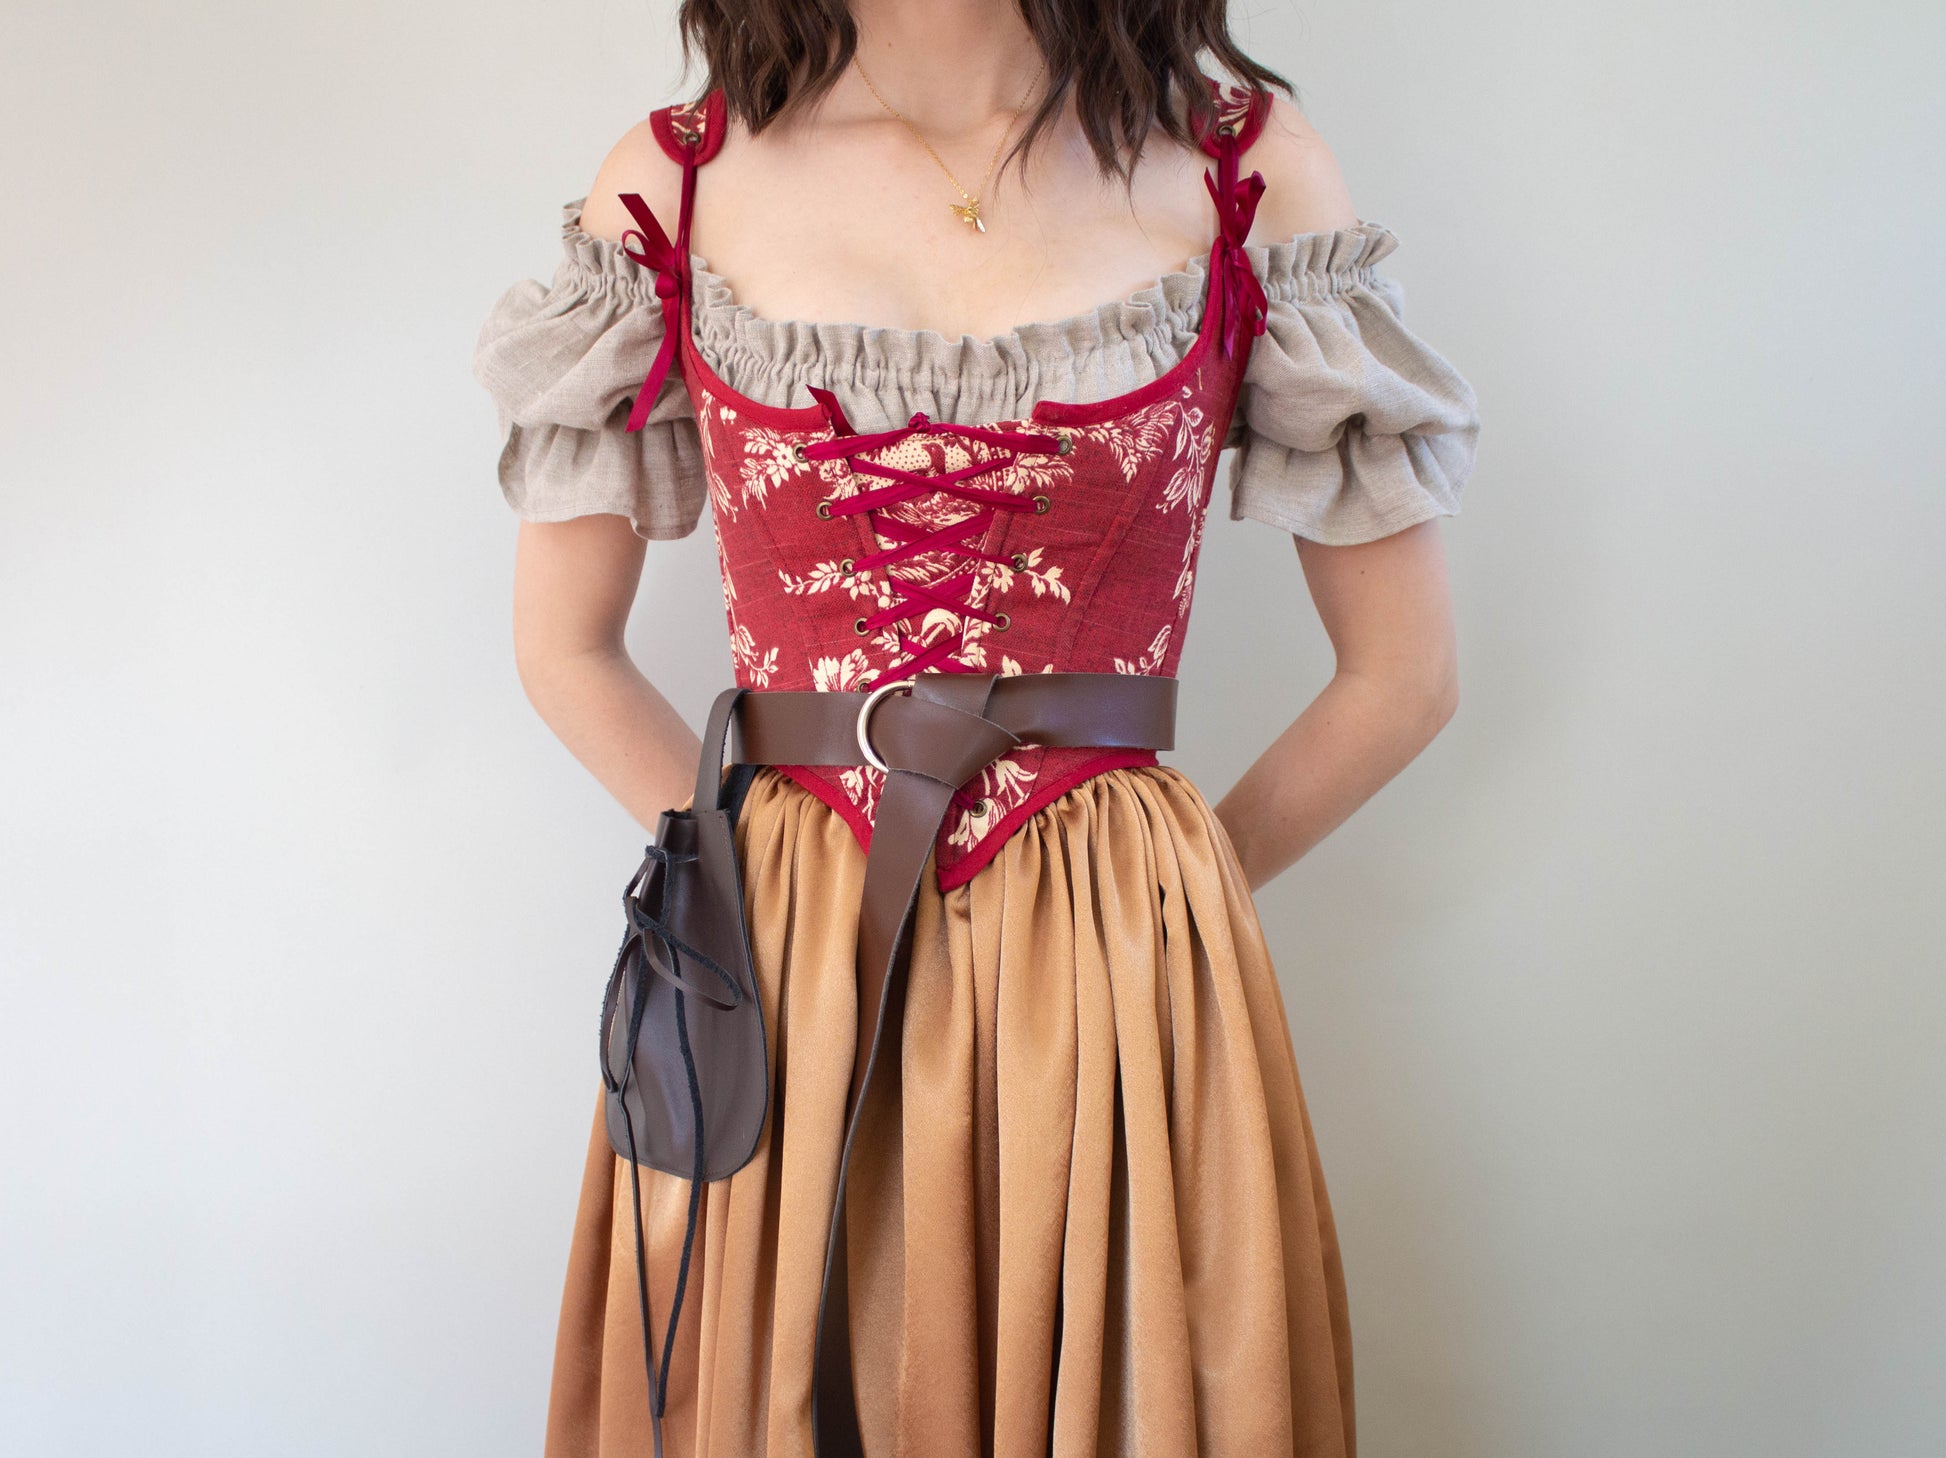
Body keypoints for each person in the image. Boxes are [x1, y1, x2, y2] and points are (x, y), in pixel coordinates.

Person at [472, 2, 1479, 1454]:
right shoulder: (673, 180)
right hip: (783, 971)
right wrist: (734, 907)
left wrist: (1162, 908)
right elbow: (563, 647)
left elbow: (1401, 673)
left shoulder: (1240, 170)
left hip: (1117, 979)